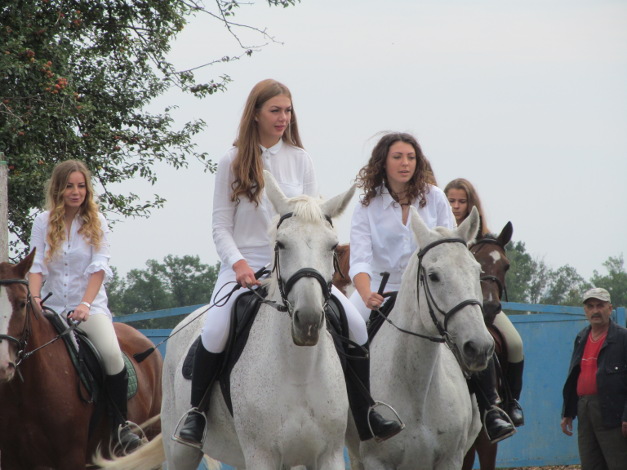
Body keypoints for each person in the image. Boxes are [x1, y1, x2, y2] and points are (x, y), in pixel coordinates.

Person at [175, 79, 402, 448]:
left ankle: (365, 411)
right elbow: (220, 225)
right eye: (275, 110)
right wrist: (238, 265)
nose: (283, 117)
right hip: (246, 269)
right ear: (256, 114)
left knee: (357, 325)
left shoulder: (301, 158)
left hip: (297, 269)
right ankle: (197, 414)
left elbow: (312, 221)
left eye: (288, 110)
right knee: (215, 329)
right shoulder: (230, 161)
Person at [348, 133, 514, 443]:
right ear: (383, 162)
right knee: (349, 332)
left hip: (432, 289)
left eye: (410, 157)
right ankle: (360, 411)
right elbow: (358, 260)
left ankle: (491, 408)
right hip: (381, 290)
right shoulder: (367, 205)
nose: (405, 163)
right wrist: (365, 291)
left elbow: (451, 249)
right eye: (397, 157)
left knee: (471, 328)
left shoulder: (435, 197)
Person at [28, 160, 142, 454]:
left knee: (112, 355)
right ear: (59, 189)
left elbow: (98, 268)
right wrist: (35, 299)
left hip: (87, 310)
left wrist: (85, 304)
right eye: (69, 186)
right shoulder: (43, 221)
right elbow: (37, 266)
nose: (75, 192)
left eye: (80, 186)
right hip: (50, 309)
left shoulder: (97, 222)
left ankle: (120, 425)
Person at [445, 177, 525, 430]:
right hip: (445, 307)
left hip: (481, 304)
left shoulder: (483, 239)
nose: (456, 206)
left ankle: (509, 404)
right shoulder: (439, 234)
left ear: (471, 205)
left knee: (514, 343)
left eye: (462, 201)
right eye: (451, 201)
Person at [561, 287, 627, 470]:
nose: (595, 310)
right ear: (585, 310)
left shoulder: (622, 337)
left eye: (600, 305)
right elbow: (574, 375)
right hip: (585, 408)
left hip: (613, 411)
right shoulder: (581, 337)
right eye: (590, 306)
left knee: (618, 463)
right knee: (590, 463)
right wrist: (567, 412)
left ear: (610, 308)